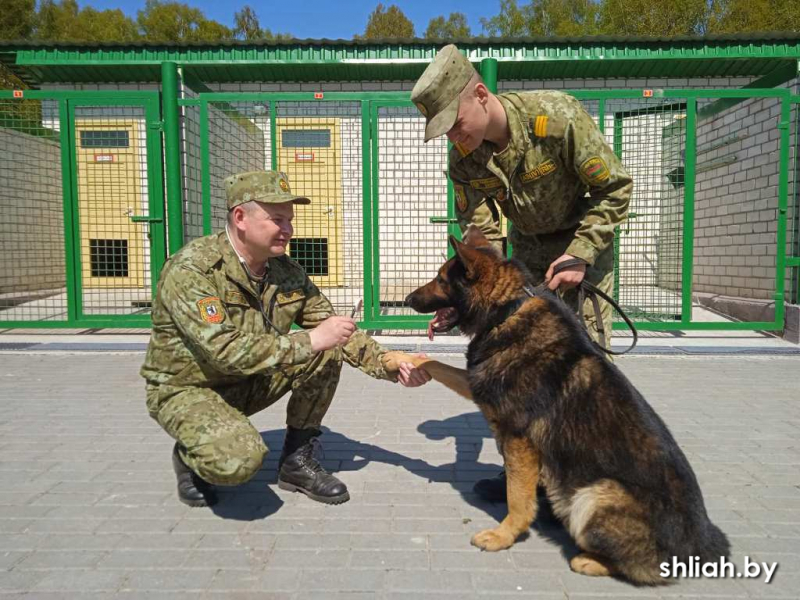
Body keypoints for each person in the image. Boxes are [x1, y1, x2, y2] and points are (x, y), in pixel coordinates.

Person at [411, 45, 633, 502]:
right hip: (527, 254)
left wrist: (581, 253)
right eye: (445, 131)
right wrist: (468, 302)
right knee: (514, 365)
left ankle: (593, 479)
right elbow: (482, 238)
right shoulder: (464, 160)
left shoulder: (555, 117)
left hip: (583, 246)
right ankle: (527, 474)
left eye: (456, 122)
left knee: (586, 365)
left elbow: (614, 189)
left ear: (480, 94)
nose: (454, 137)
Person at [141, 170, 430, 508]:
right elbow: (224, 350)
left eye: (290, 220)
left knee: (326, 348)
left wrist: (390, 364)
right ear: (240, 218)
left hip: (247, 380)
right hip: (189, 389)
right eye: (277, 219)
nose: (288, 229)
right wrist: (311, 340)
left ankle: (296, 463)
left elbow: (332, 329)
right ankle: (189, 455)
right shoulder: (193, 270)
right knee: (238, 462)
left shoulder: (285, 270)